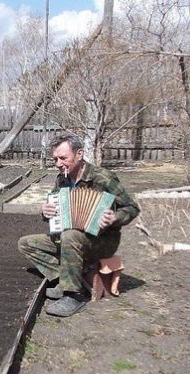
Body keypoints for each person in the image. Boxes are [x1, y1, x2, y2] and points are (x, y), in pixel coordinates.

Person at [18, 133, 140, 317]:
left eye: (63, 158)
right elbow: (53, 207)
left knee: (70, 236)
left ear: (79, 154)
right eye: (55, 159)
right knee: (26, 243)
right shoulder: (62, 179)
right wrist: (45, 211)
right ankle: (64, 279)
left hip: (103, 240)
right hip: (71, 238)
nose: (59, 163)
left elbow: (132, 208)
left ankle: (73, 296)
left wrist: (115, 218)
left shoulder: (103, 178)